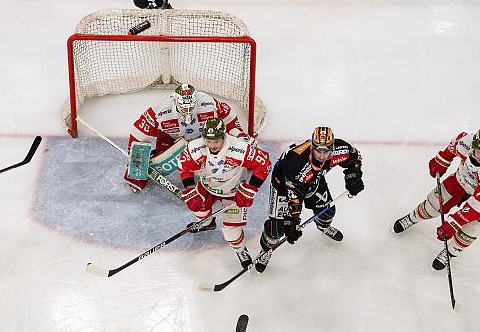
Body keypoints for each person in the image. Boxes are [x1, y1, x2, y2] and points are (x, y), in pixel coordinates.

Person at [392, 129, 480, 270]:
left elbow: (478, 207)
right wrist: (442, 161)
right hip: (463, 180)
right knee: (433, 204)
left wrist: (452, 224)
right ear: (473, 146)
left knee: (472, 228)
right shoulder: (465, 142)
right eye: (479, 151)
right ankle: (412, 218)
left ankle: (449, 253)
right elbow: (452, 148)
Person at [254, 127, 363, 273]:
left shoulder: (340, 149)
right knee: (277, 228)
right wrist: (292, 221)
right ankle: (266, 249)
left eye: (327, 151)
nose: (323, 156)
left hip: (313, 181)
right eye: (319, 151)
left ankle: (323, 227)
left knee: (327, 213)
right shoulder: (295, 163)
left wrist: (354, 174)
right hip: (283, 186)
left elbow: (354, 157)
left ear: (332, 148)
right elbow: (293, 196)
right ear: (312, 148)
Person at [177, 117, 271, 268]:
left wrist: (251, 188)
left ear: (224, 137)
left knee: (231, 233)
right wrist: (189, 189)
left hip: (233, 192)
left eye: (216, 141)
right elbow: (184, 167)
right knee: (196, 206)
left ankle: (240, 250)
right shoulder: (195, 147)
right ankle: (207, 223)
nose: (212, 146)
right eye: (209, 141)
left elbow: (264, 165)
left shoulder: (239, 148)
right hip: (208, 186)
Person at [124, 83, 249, 193]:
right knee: (161, 159)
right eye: (184, 107)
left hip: (203, 137)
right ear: (175, 102)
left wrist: (240, 134)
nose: (188, 111)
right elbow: (138, 132)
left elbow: (228, 117)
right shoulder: (161, 110)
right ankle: (145, 172)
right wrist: (135, 159)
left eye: (191, 107)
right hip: (172, 138)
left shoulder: (208, 102)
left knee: (224, 146)